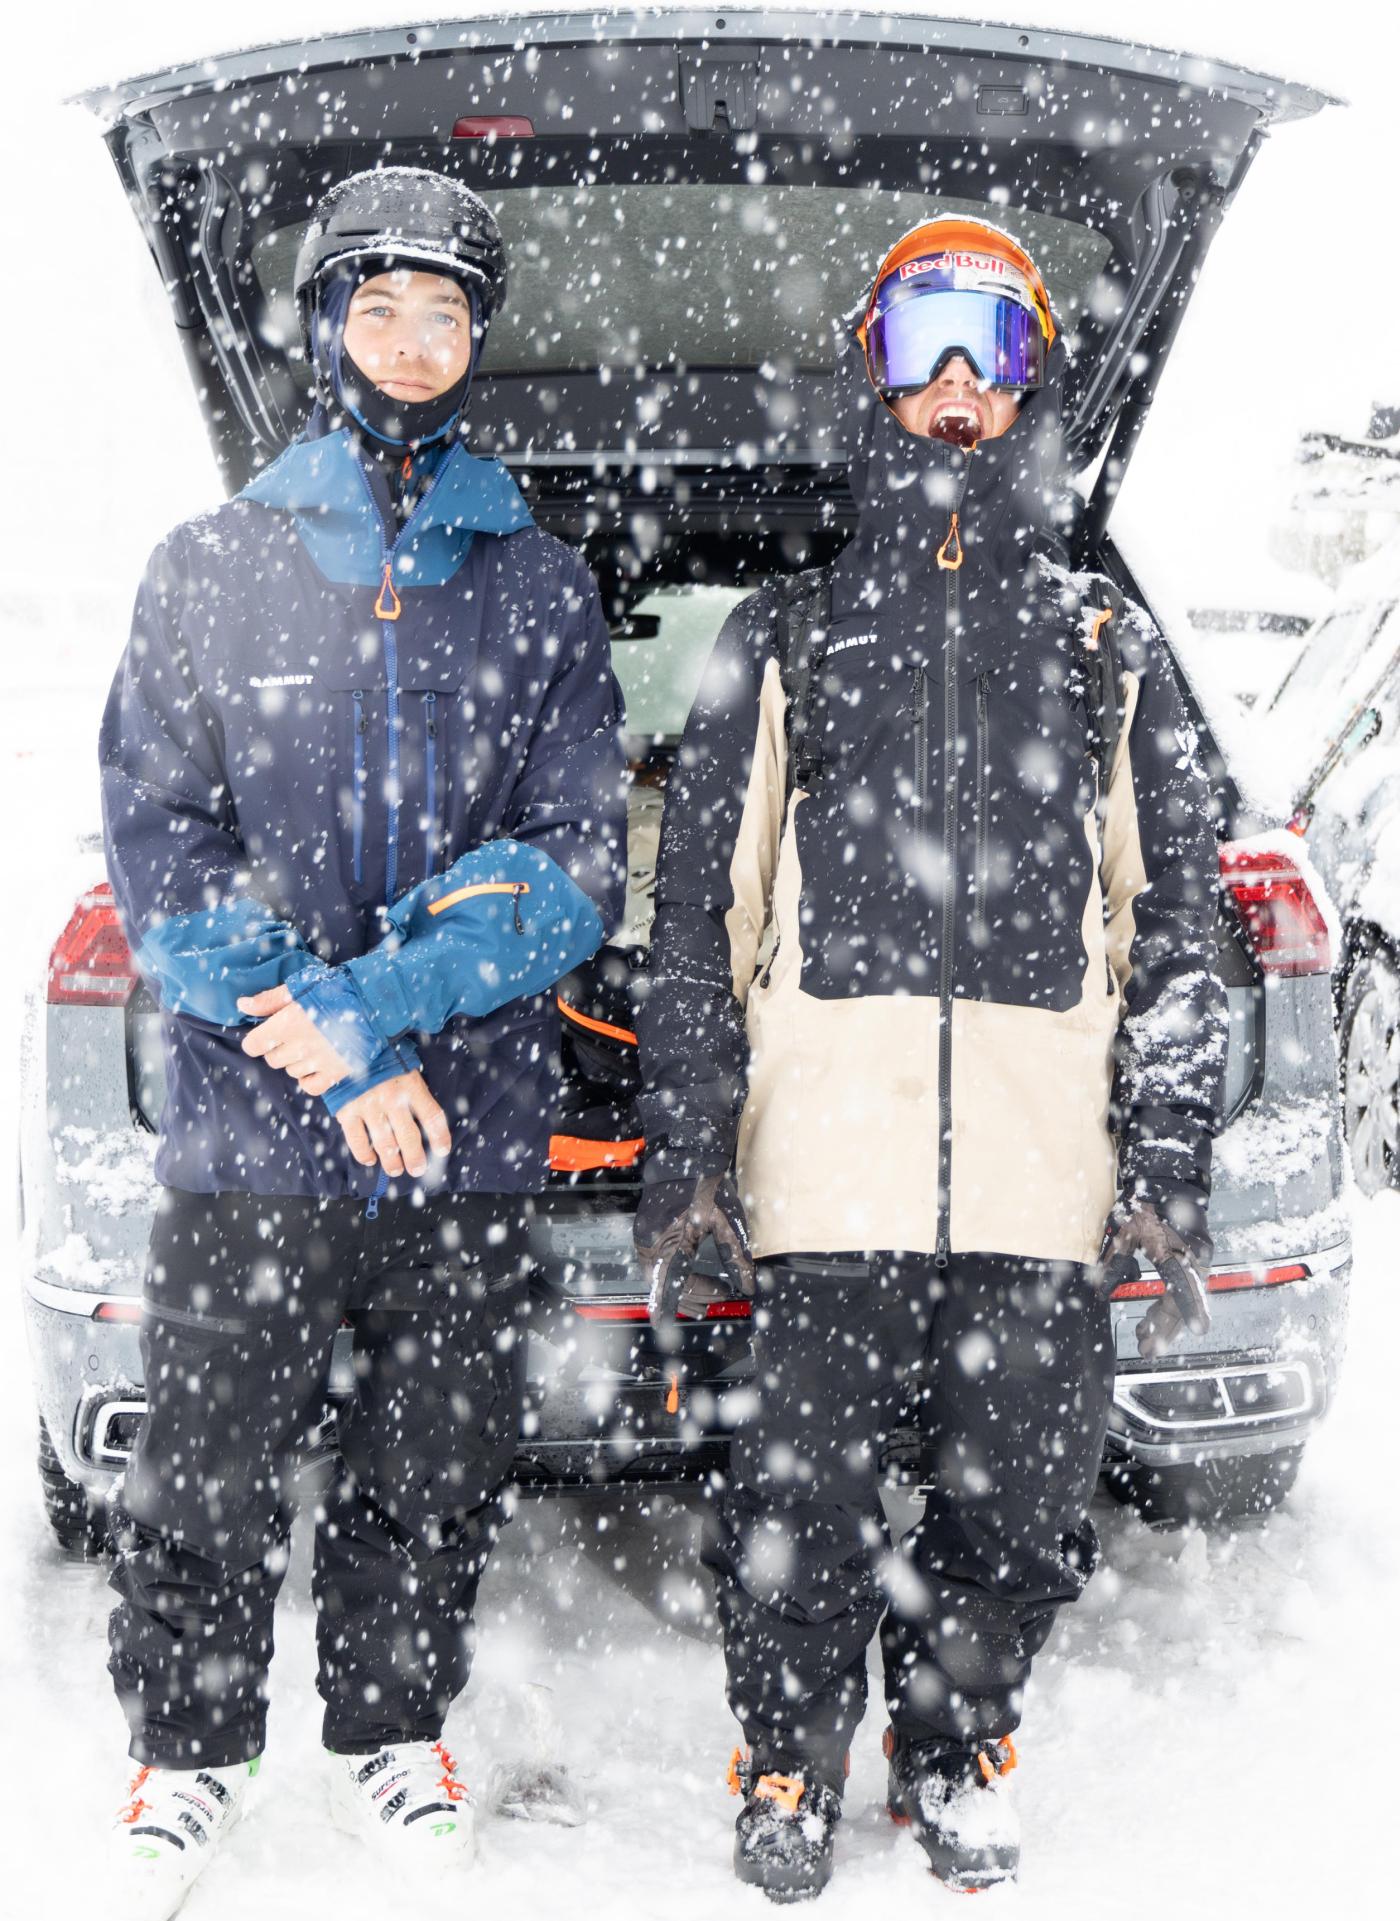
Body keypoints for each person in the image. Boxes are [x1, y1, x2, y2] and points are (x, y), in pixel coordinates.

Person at [633, 217, 1225, 1900]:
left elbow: (1178, 927)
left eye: (991, 349)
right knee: (801, 1509)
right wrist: (686, 1145)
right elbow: (704, 926)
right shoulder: (788, 637)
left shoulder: (1108, 648)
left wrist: (1164, 1155)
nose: (955, 389)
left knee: (1022, 1511)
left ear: (1034, 381)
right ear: (872, 376)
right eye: (920, 349)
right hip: (827, 1173)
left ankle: (955, 1749)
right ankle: (785, 1758)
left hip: (1043, 1186)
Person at [99, 166, 626, 1916]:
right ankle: (189, 1747)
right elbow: (164, 846)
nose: (412, 346)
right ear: (323, 324)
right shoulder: (211, 568)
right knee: (208, 1453)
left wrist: (374, 1006)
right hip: (258, 1136)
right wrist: (329, 1046)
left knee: (432, 1450)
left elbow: (573, 868)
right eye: (380, 308)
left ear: (479, 343)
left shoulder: (541, 588)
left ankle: (386, 1729)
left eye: (447, 315)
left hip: (460, 1139)